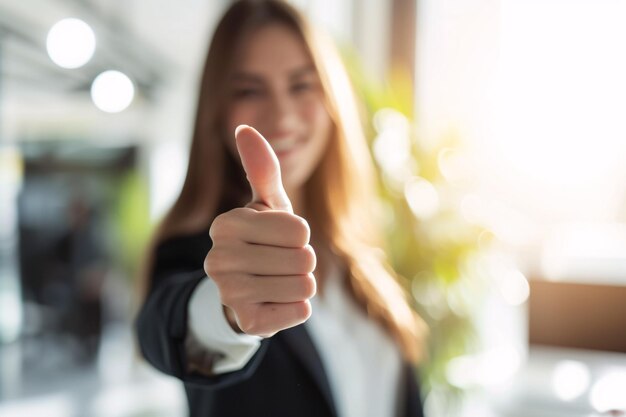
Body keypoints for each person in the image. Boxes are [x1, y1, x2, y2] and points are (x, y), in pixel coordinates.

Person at [135, 1, 427, 416]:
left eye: (302, 85)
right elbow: (169, 328)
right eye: (249, 90)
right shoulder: (200, 256)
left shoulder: (360, 252)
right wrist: (228, 311)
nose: (283, 114)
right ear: (216, 116)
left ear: (332, 102)